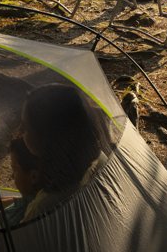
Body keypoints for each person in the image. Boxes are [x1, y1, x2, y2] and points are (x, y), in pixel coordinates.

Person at [20, 83, 111, 222]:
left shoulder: (43, 209)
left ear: (47, 138)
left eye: (25, 127)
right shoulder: (100, 159)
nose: (20, 131)